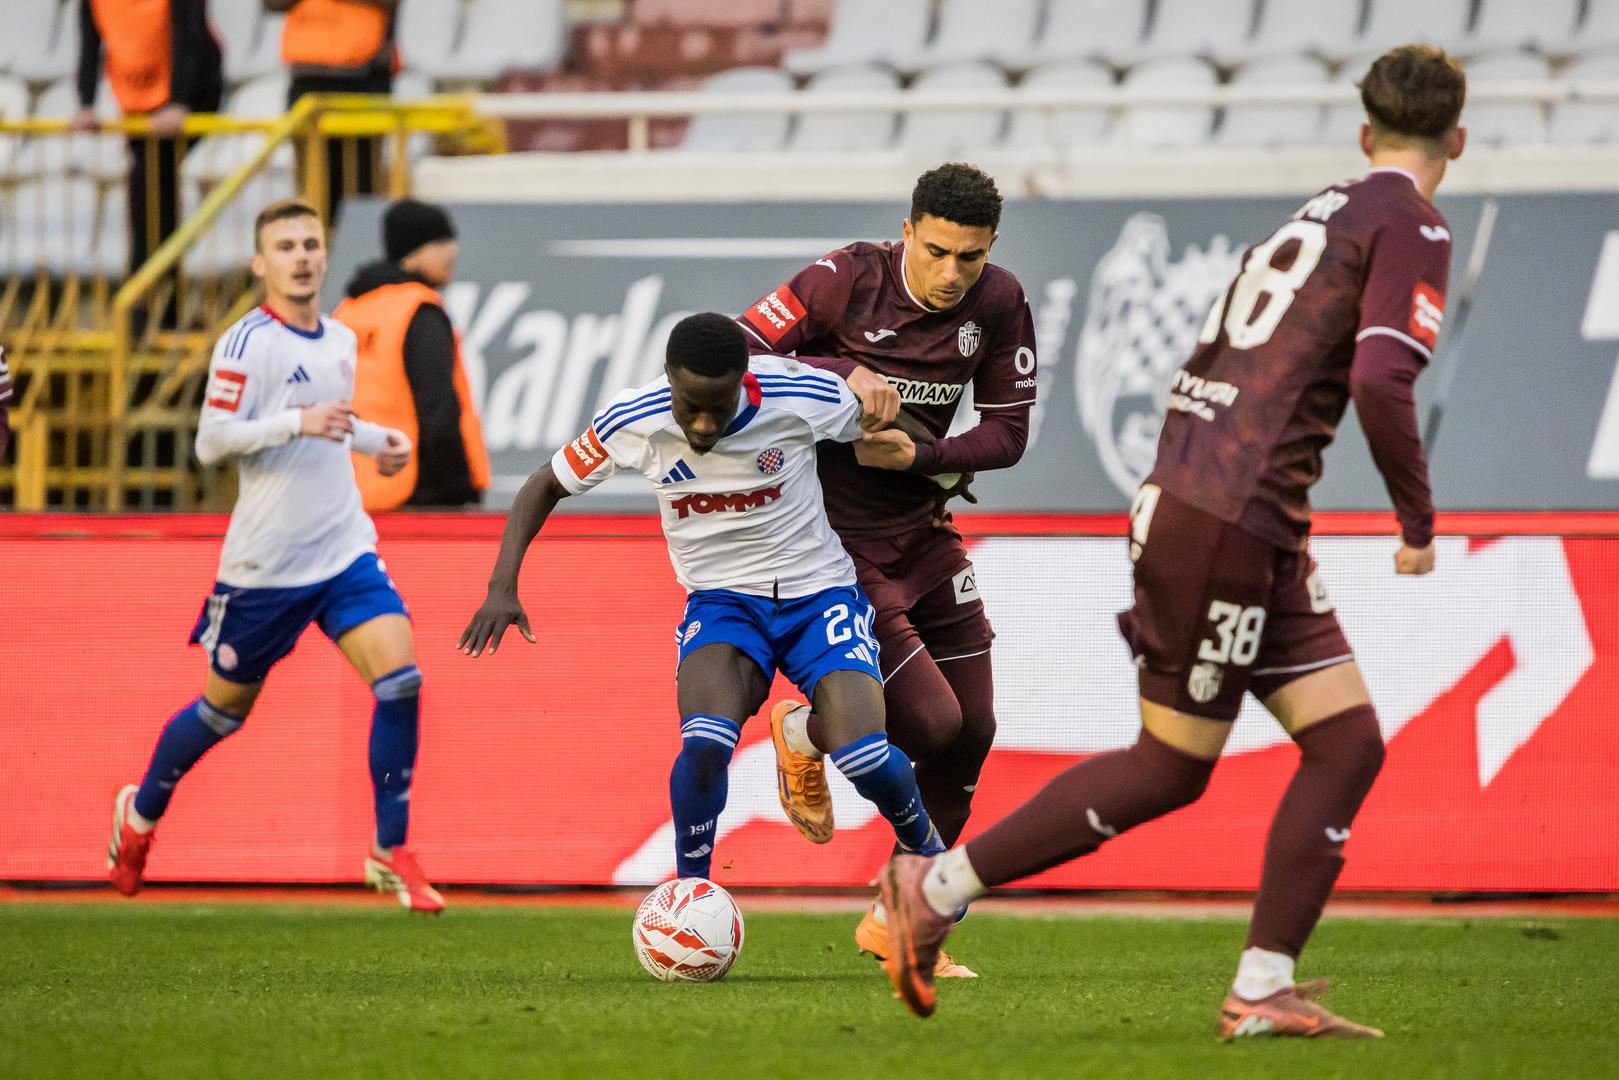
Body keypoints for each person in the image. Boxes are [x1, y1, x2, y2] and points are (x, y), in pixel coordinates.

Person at [877, 45, 1466, 1036]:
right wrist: (1416, 520)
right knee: (1169, 766)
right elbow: (1378, 375)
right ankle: (930, 890)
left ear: (1365, 133)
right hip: (1228, 515)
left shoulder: (1319, 213)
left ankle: (1262, 985)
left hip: (1230, 510)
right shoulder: (1412, 223)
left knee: (1345, 741)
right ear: (1456, 138)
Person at [459, 314, 949, 882]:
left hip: (819, 593)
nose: (704, 423)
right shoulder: (632, 419)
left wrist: (943, 472)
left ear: (745, 378)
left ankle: (928, 853)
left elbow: (886, 418)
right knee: (705, 747)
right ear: (669, 378)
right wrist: (502, 587)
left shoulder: (798, 394)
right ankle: (691, 892)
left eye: (719, 407)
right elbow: (544, 483)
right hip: (722, 604)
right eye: (690, 406)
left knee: (864, 756)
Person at [735, 163, 1038, 978]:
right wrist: (840, 373)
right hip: (834, 547)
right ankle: (804, 729)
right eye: (935, 251)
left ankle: (898, 924)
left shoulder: (999, 301)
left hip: (925, 533)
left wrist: (924, 457)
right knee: (930, 725)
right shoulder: (842, 280)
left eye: (969, 256)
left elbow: (1008, 432)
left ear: (990, 248)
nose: (951, 274)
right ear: (906, 231)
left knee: (973, 732)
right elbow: (735, 353)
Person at [105, 198, 441, 913]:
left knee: (401, 682)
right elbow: (212, 440)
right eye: (285, 246)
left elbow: (332, 425)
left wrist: (379, 442)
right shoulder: (247, 343)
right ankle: (140, 815)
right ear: (262, 263)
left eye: (310, 244)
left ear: (324, 255)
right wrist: (295, 421)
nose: (301, 257)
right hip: (266, 566)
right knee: (221, 713)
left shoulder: (339, 338)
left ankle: (390, 849)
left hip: (343, 548)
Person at [336, 199, 491, 511]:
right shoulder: (419, 311)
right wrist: (458, 489)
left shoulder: (348, 311)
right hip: (420, 492)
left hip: (354, 492)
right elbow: (439, 411)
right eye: (440, 242)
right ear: (412, 251)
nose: (452, 251)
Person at [75, 0, 224, 302]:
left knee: (150, 188)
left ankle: (150, 303)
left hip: (194, 91)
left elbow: (189, 36)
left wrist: (179, 102)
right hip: (139, 104)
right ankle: (158, 303)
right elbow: (90, 44)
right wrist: (86, 104)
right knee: (151, 194)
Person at [267, 0, 399, 220]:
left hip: (363, 75)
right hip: (307, 75)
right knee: (313, 190)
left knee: (361, 187)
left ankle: (355, 237)